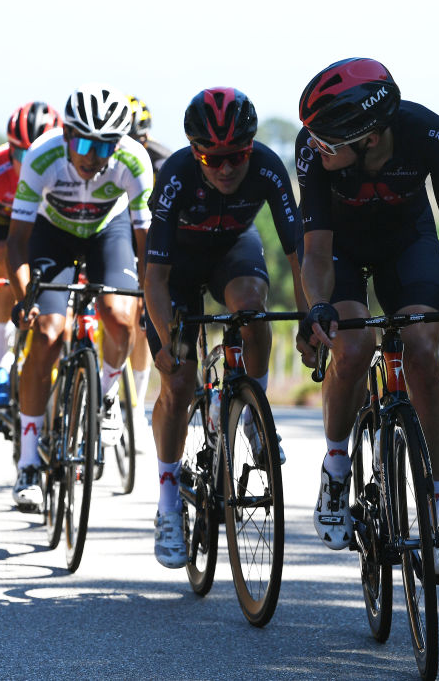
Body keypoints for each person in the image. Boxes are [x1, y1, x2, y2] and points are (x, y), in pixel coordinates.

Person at [295, 57, 439, 577]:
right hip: (339, 251)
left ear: (368, 136)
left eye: (328, 142)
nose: (317, 147)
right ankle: (337, 466)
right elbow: (315, 252)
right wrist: (317, 305)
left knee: (423, 352)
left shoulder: (428, 133)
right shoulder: (312, 151)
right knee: (355, 347)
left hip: (407, 244)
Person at [143, 87, 306, 568]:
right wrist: (167, 337)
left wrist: (309, 319)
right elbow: (154, 276)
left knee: (252, 310)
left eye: (236, 156)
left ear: (250, 148)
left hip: (232, 250)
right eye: (210, 158)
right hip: (176, 269)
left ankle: (253, 413)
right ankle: (169, 505)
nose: (225, 168)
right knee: (176, 382)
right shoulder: (174, 175)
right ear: (195, 152)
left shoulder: (269, 167)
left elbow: (298, 255)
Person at [7, 83, 153, 510]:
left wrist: (152, 295)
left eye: (104, 145)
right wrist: (24, 296)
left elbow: (148, 243)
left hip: (109, 230)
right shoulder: (42, 156)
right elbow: (18, 240)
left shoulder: (133, 160)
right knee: (49, 335)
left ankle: (107, 396)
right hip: (53, 235)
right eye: (84, 142)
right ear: (68, 135)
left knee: (120, 316)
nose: (92, 155)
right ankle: (29, 462)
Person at [0, 101, 62, 408]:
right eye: (21, 154)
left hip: (48, 226)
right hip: (4, 227)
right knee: (5, 261)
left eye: (37, 153)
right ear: (9, 149)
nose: (30, 162)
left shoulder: (69, 168)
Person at [125, 94, 173, 452]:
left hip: (149, 237)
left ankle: (136, 406)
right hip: (112, 233)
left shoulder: (164, 160)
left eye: (138, 140)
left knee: (143, 322)